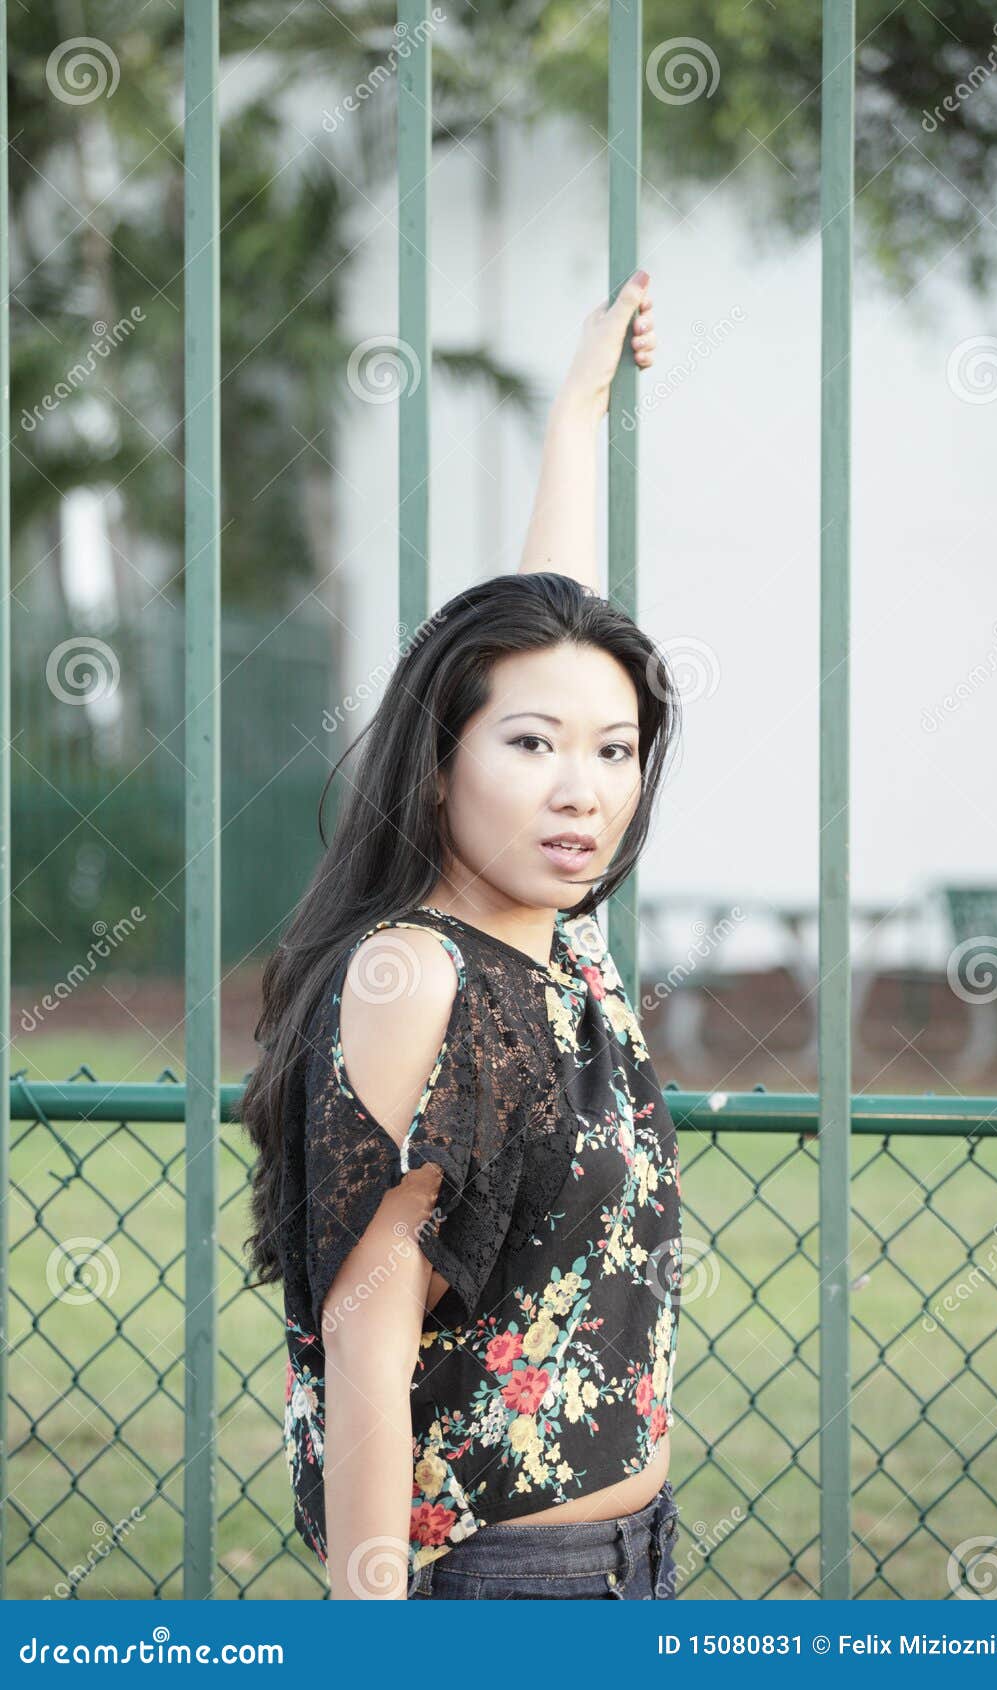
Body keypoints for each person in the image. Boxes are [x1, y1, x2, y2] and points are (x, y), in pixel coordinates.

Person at [241, 269, 685, 1599]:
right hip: (502, 1582)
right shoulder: (418, 972)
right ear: (440, 766)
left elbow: (557, 629)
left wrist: (578, 414)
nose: (582, 787)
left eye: (615, 751)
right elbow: (366, 1334)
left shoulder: (562, 951)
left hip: (633, 1560)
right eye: (532, 747)